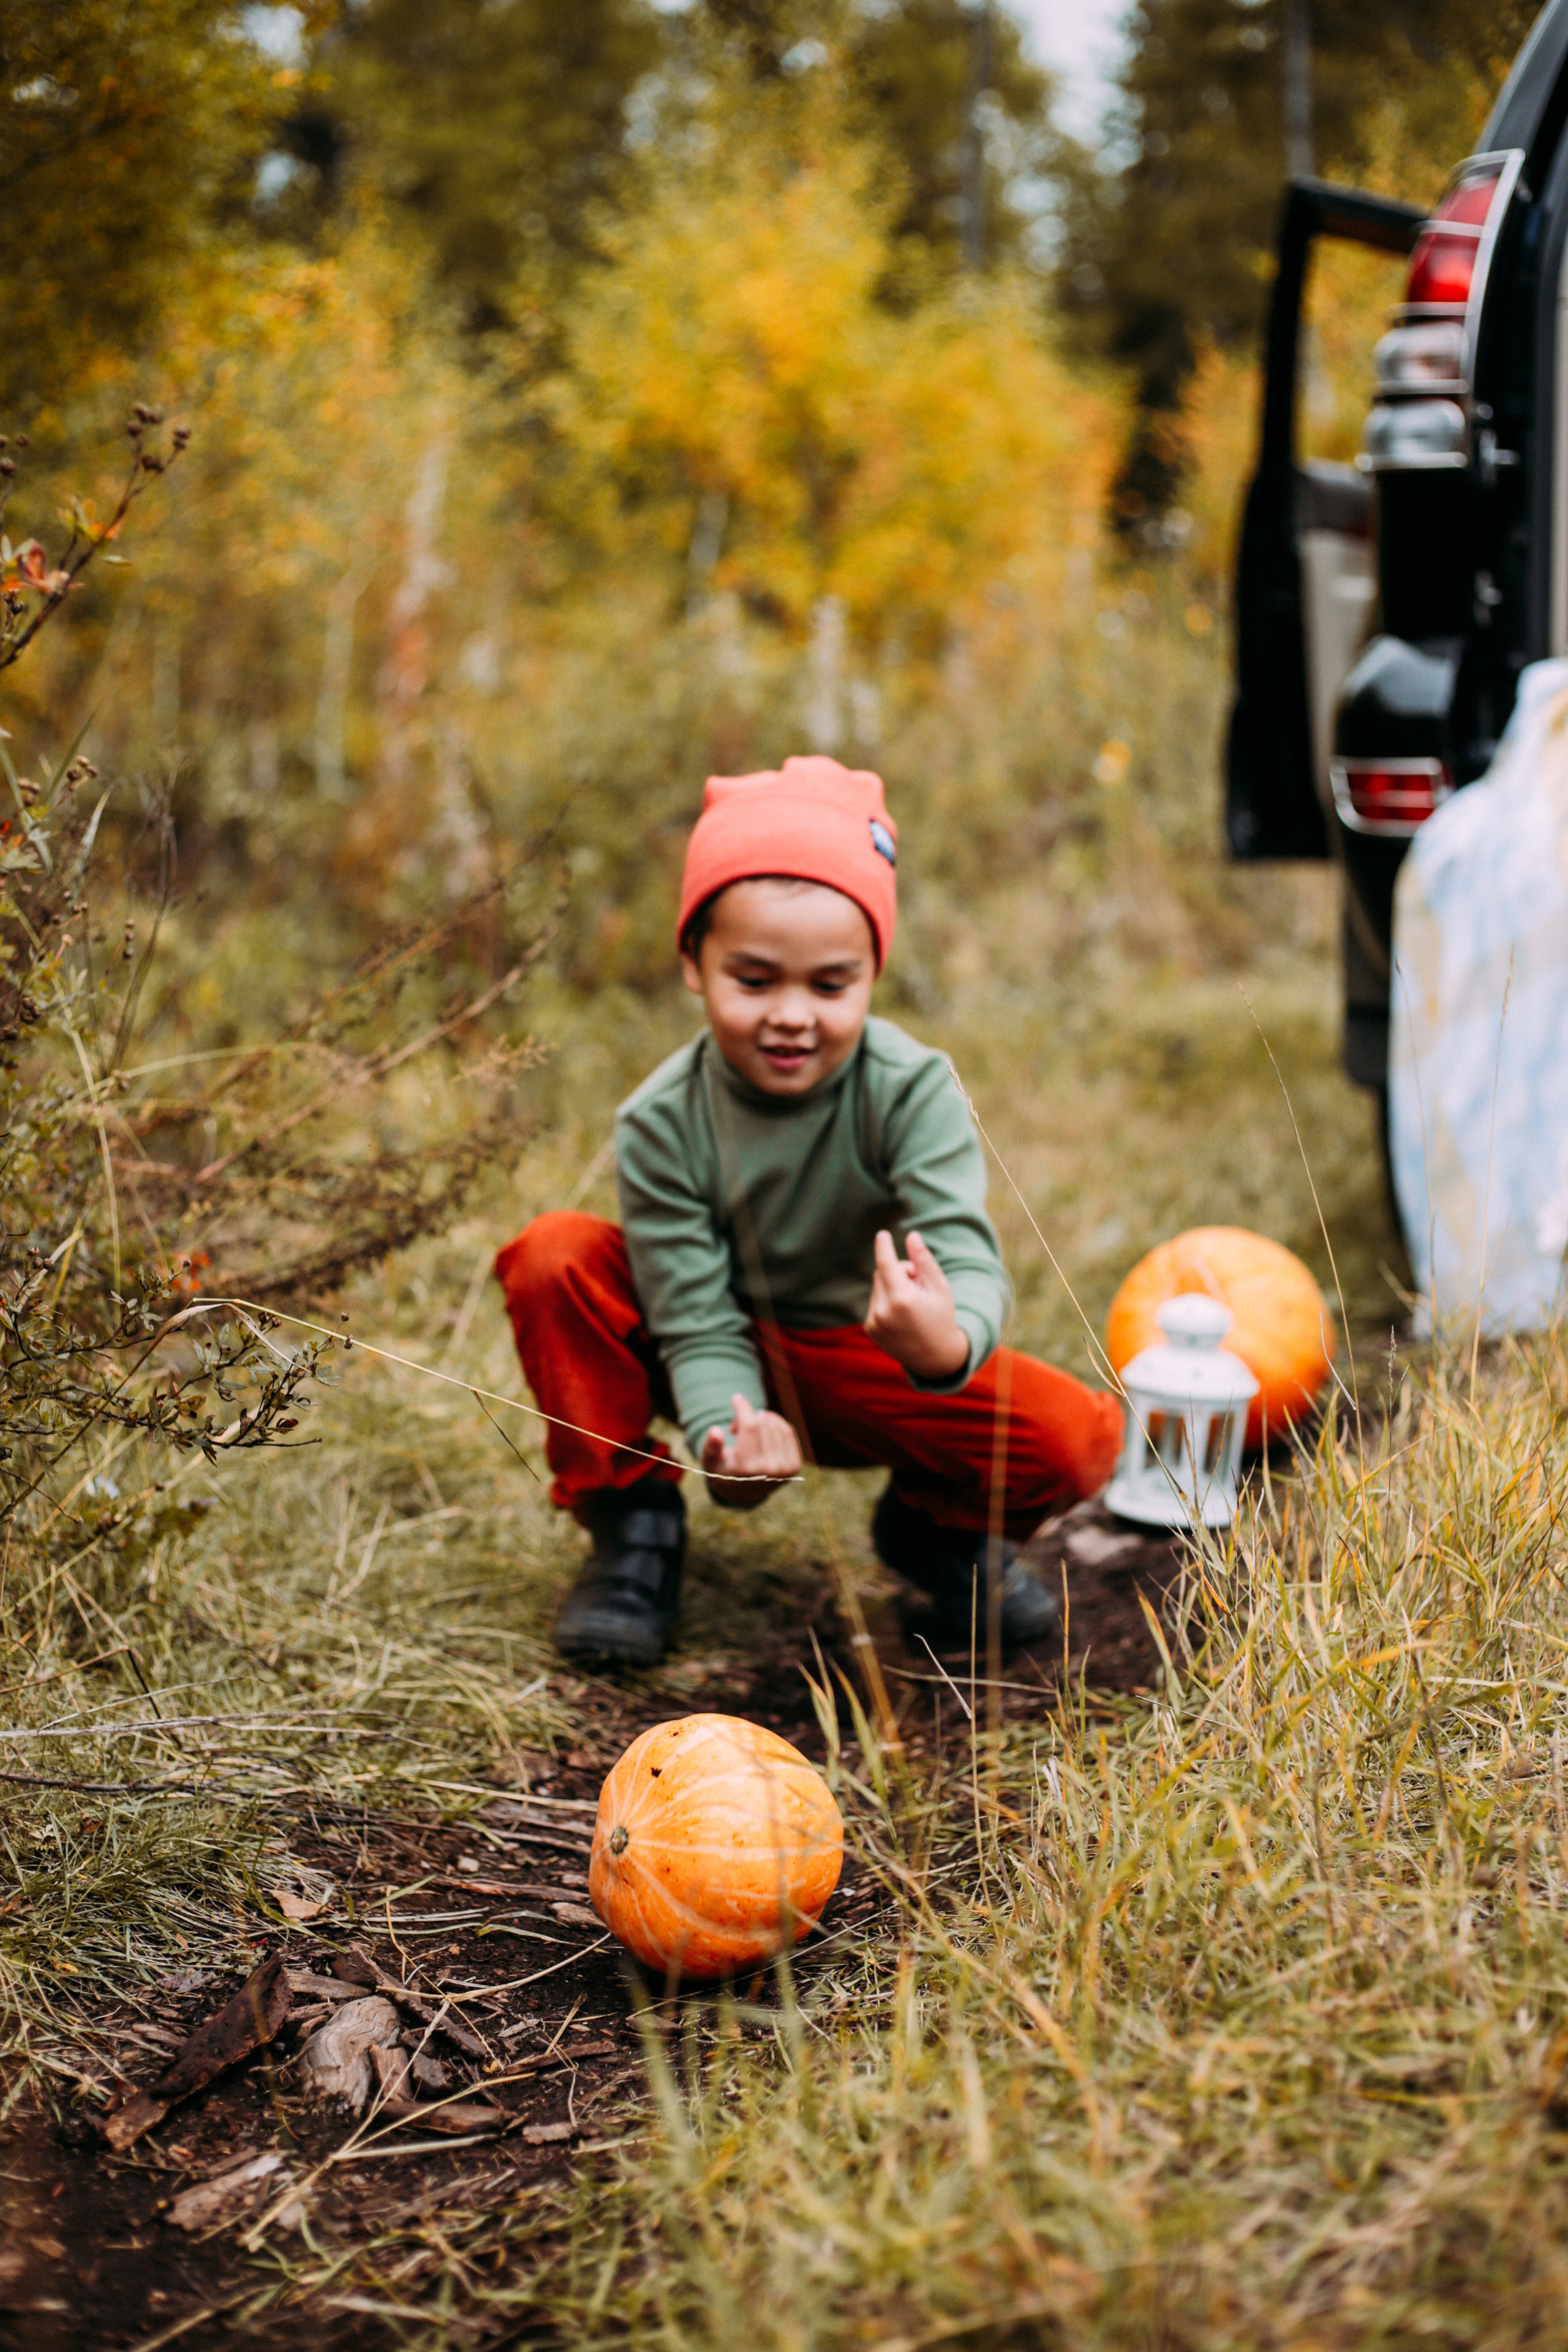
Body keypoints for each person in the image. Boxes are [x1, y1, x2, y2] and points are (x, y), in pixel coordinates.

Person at [495, 755, 1122, 1666]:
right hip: (709, 1343)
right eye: (754, 980)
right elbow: (696, 1320)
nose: (792, 1015)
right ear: (692, 965)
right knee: (556, 1255)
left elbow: (963, 1251)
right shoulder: (664, 1120)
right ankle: (633, 1532)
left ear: (873, 971)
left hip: (866, 1352)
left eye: (830, 986)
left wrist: (944, 1337)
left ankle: (933, 1536)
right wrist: (727, 1439)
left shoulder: (911, 1089)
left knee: (1073, 1439)